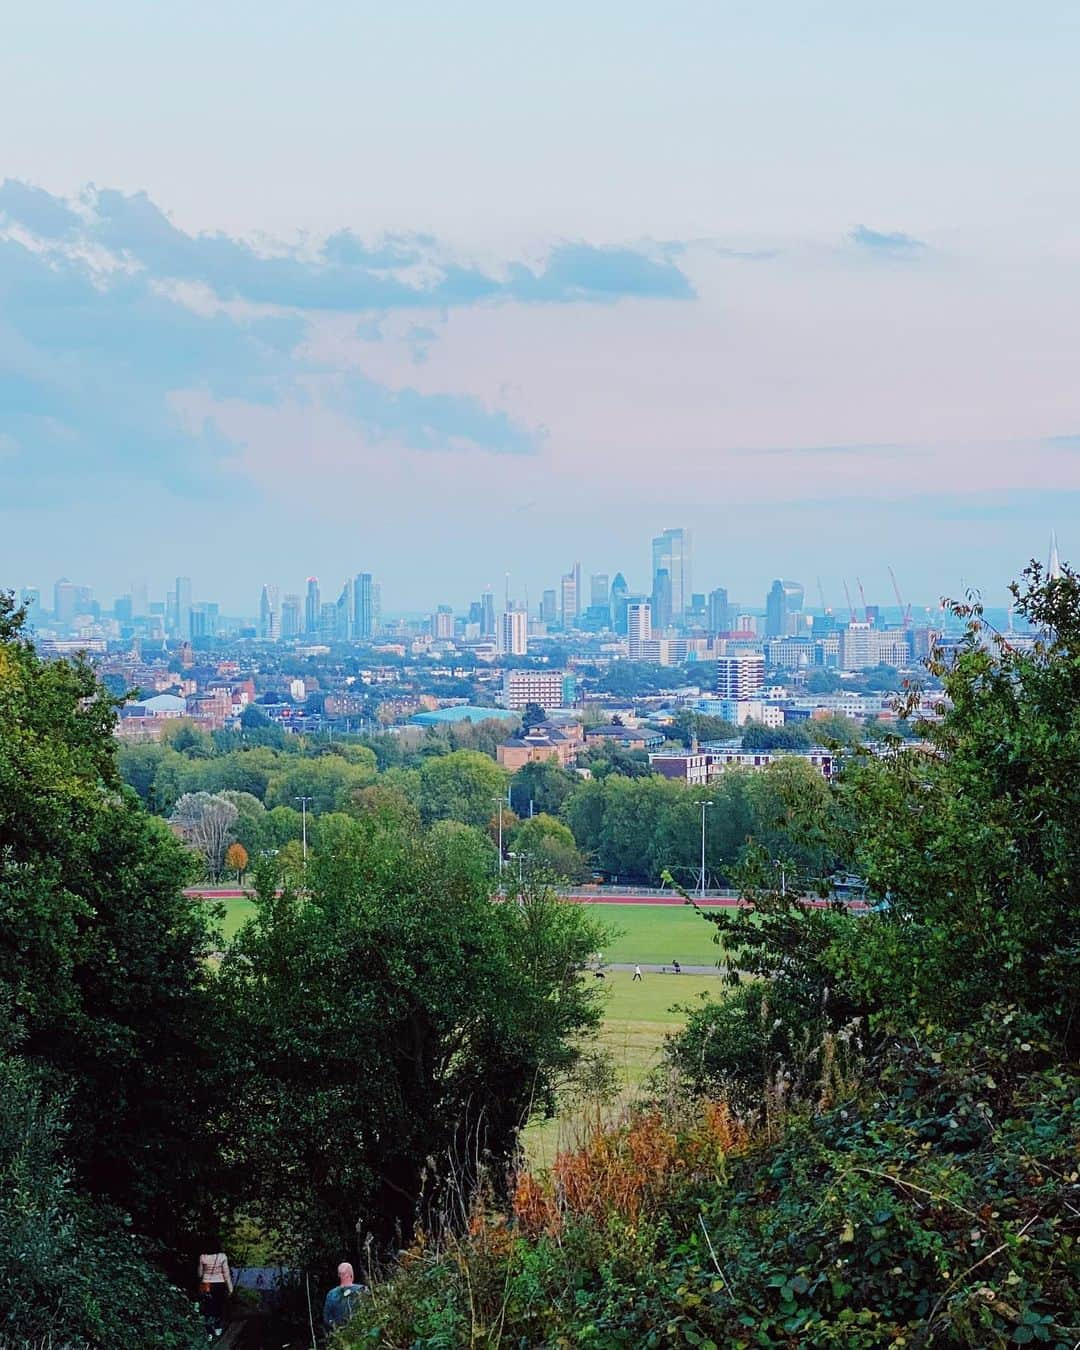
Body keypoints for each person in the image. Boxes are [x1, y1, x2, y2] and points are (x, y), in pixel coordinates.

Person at [197, 1243, 233, 1340]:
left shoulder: (202, 1257)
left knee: (207, 1308)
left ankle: (209, 1333)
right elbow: (226, 1274)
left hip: (206, 1284)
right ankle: (217, 1328)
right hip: (219, 1284)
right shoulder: (222, 1257)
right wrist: (230, 1288)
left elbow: (200, 1274)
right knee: (218, 1306)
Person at [323, 1261, 365, 1332]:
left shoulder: (331, 1294)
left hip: (339, 1337)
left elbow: (327, 1319)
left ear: (339, 1275)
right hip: (360, 1335)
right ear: (351, 1274)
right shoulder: (362, 1290)